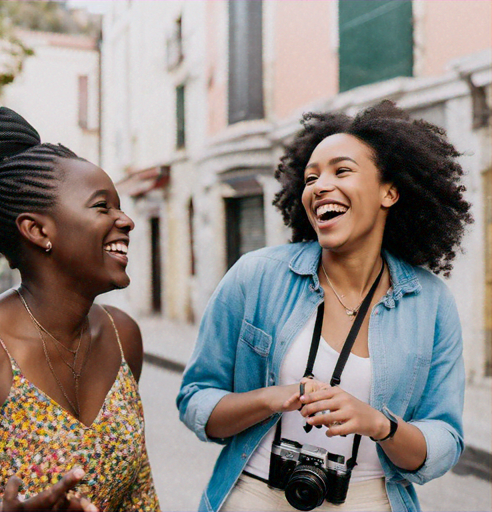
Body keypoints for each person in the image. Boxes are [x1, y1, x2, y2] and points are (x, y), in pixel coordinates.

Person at [177, 101, 472, 512]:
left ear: (390, 191)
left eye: (342, 170)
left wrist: (379, 425)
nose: (319, 185)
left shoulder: (431, 302)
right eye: (311, 177)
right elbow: (195, 400)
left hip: (371, 500)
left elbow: (444, 442)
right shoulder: (256, 275)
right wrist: (272, 398)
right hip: (255, 495)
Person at [0, 107, 160, 512]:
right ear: (39, 230)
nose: (126, 220)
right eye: (102, 206)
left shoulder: (122, 335)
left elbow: (138, 491)